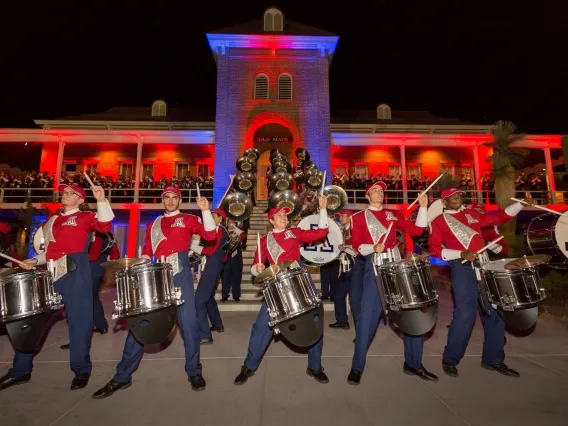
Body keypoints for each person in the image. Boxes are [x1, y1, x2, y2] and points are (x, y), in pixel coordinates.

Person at [92, 186, 216, 399]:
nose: (170, 201)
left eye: (174, 197)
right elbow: (148, 251)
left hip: (180, 273)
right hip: (156, 276)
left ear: (179, 199)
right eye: (166, 197)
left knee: (189, 324)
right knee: (141, 323)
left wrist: (205, 211)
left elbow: (210, 235)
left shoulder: (187, 219)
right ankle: (122, 376)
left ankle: (194, 371)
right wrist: (140, 262)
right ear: (162, 199)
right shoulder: (152, 224)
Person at [0, 183, 114, 392]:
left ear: (80, 200)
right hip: (51, 273)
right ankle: (20, 371)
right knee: (31, 320)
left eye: (71, 193)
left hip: (76, 272)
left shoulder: (86, 217)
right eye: (64, 192)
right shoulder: (51, 221)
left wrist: (100, 200)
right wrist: (35, 261)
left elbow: (105, 225)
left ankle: (81, 369)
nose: (66, 194)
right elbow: (49, 251)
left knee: (80, 323)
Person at [428, 188, 525, 378]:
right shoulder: (438, 222)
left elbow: (500, 218)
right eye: (451, 197)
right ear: (444, 202)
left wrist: (521, 204)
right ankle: (450, 359)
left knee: (495, 312)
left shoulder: (472, 214)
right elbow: (435, 250)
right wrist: (460, 254)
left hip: (484, 265)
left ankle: (493, 359)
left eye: (458, 195)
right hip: (462, 267)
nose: (456, 198)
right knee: (465, 315)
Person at [233, 195, 330, 385]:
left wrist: (323, 209)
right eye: (279, 216)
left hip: (299, 279)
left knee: (313, 321)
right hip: (276, 284)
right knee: (262, 326)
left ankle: (315, 366)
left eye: (285, 215)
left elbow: (321, 232)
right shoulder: (264, 240)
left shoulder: (295, 232)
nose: (284, 218)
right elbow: (255, 265)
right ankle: (249, 366)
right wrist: (258, 268)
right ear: (271, 220)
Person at [347, 181, 435, 385]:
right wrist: (373, 247)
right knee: (366, 320)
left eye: (381, 191)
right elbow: (357, 245)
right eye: (375, 191)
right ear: (367, 196)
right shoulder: (358, 217)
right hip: (375, 268)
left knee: (412, 315)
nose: (379, 193)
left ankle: (414, 363)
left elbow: (417, 230)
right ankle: (357, 367)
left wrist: (422, 207)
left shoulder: (392, 214)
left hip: (397, 268)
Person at [60, 231, 120, 350]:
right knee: (92, 297)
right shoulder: (110, 235)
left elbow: (92, 254)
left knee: (80, 302)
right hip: (100, 268)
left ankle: (80, 339)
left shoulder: (95, 234)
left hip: (89, 268)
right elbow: (115, 255)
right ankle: (101, 325)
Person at [191, 208, 228, 344]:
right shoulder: (221, 231)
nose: (210, 219)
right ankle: (217, 324)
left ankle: (205, 335)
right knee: (209, 298)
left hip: (212, 266)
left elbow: (211, 251)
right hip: (215, 266)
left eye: (213, 216)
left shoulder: (219, 231)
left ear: (220, 218)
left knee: (199, 300)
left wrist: (194, 245)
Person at [328, 209, 355, 329]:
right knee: (338, 295)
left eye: (342, 216)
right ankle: (341, 320)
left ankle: (360, 327)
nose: (340, 218)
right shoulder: (344, 230)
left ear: (349, 217)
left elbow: (357, 247)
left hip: (354, 268)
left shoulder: (354, 229)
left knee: (355, 299)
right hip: (345, 267)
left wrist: (346, 246)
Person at [221, 218, 246, 302]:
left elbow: (244, 236)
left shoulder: (238, 232)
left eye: (233, 222)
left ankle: (236, 295)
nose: (232, 224)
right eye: (230, 222)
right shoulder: (224, 232)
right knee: (225, 276)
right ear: (227, 223)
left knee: (237, 276)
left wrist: (236, 229)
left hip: (236, 257)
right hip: (226, 257)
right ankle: (224, 295)